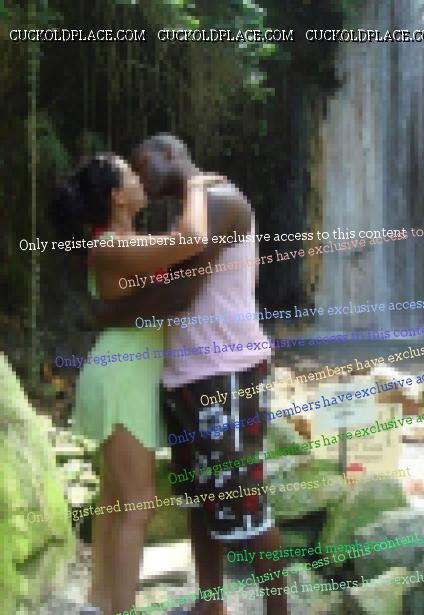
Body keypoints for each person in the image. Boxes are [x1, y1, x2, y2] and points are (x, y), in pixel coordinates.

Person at [95, 134, 289, 615]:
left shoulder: (221, 203)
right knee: (199, 500)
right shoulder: (192, 212)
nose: (139, 179)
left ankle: (278, 610)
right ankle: (210, 603)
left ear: (170, 156)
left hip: (226, 373)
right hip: (188, 375)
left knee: (245, 503)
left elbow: (179, 295)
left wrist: (108, 313)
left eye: (142, 166)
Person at [53, 153, 222, 615]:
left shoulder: (122, 242)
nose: (140, 178)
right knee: (138, 505)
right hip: (122, 379)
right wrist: (193, 182)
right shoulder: (110, 247)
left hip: (127, 374)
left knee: (115, 500)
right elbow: (191, 239)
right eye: (131, 174)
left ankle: (99, 602)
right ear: (117, 197)